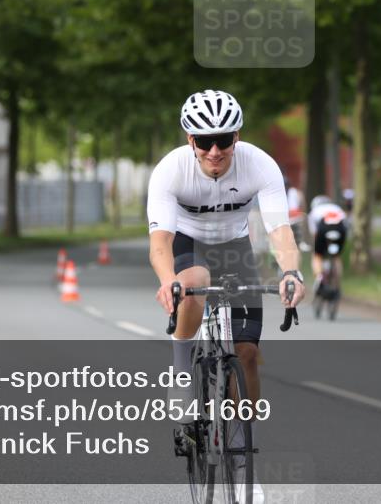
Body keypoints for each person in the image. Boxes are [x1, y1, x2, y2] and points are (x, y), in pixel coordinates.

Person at [147, 89, 304, 500]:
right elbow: (160, 242)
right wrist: (168, 279)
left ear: (237, 137)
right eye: (204, 141)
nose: (214, 151)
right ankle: (181, 370)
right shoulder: (170, 171)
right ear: (190, 140)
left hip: (235, 248)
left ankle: (242, 457)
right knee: (194, 279)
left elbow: (280, 231)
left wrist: (291, 272)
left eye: (223, 140)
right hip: (188, 244)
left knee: (247, 354)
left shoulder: (260, 165)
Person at [306, 194, 349, 300]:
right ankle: (337, 284)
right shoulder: (337, 208)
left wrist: (317, 247)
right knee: (336, 256)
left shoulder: (314, 212)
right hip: (340, 229)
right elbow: (346, 226)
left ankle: (320, 278)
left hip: (323, 227)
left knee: (317, 255)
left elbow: (314, 234)